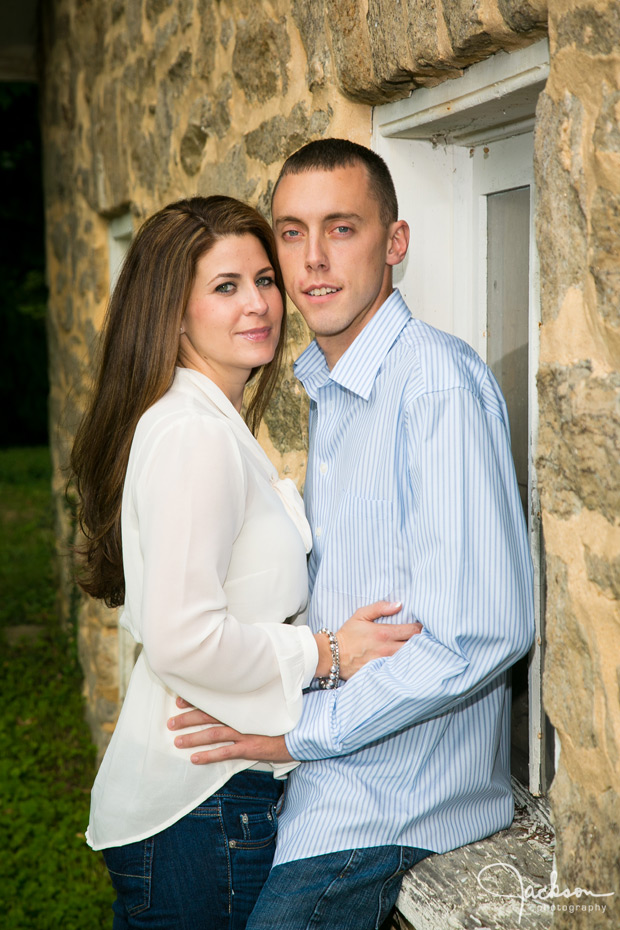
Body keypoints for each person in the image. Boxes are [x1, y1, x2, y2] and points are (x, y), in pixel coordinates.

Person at [169, 140, 536, 930]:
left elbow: (484, 631)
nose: (312, 260)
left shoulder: (432, 383)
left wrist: (301, 733)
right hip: (329, 786)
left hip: (391, 802)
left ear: (394, 242)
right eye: (292, 233)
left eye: (341, 228)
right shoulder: (330, 387)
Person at [70, 193, 422, 930]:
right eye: (225, 287)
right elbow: (182, 637)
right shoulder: (192, 434)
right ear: (172, 312)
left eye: (263, 279)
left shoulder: (204, 422)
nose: (259, 303)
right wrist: (328, 652)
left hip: (211, 800)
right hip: (201, 806)